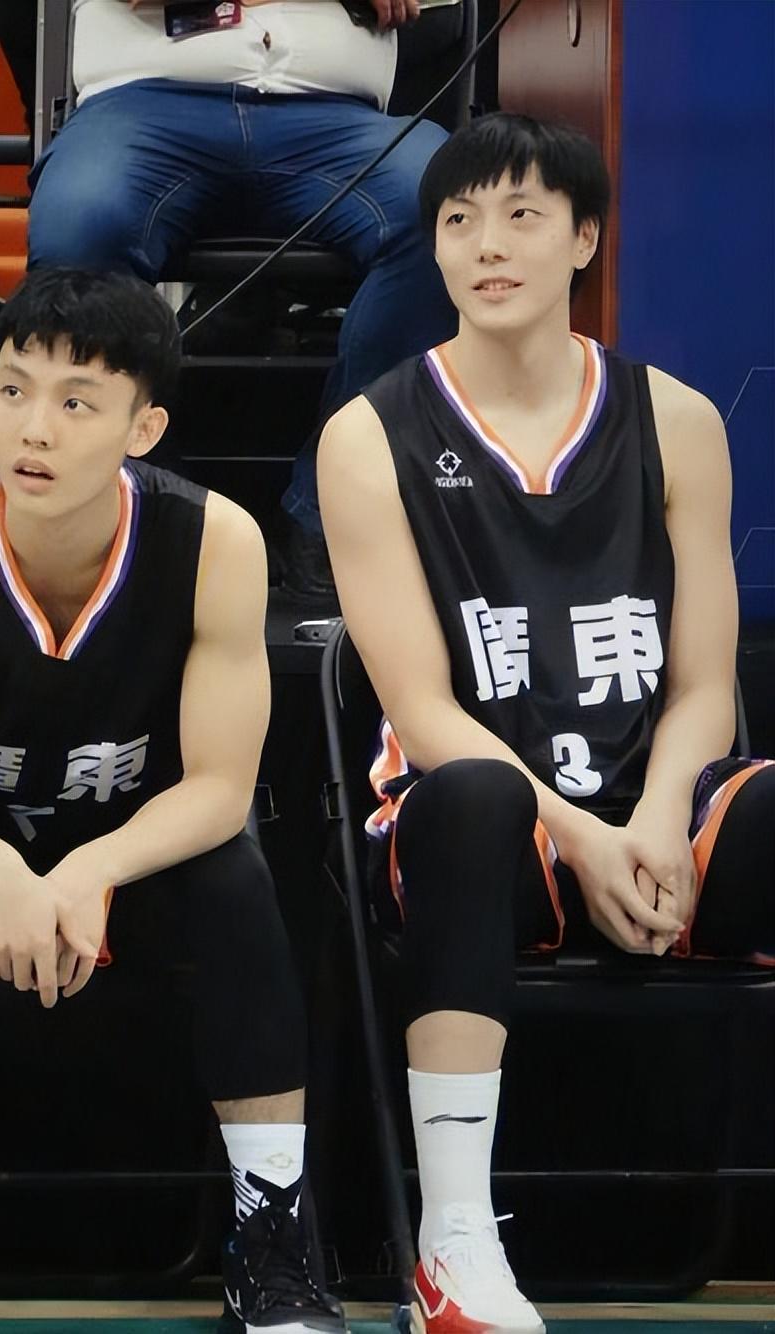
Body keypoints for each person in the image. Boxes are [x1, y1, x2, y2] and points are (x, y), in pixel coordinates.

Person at [0, 269, 341, 1334]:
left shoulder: (216, 540)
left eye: (77, 402)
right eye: (13, 389)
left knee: (236, 876)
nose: (33, 428)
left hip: (131, 843)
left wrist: (88, 868)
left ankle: (272, 1237)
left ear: (144, 427)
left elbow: (220, 787)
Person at [317, 113, 774, 1332]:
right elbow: (419, 708)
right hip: (490, 828)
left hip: (657, 818)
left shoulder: (676, 418)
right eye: (457, 220)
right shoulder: (368, 435)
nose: (486, 244)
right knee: (468, 800)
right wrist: (581, 834)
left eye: (521, 215)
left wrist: (660, 822)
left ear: (584, 238)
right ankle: (454, 1242)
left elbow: (704, 683)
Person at [27, 0, 458, 600]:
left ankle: (333, 511)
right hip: (145, 104)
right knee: (80, 223)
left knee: (447, 211)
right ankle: (143, 501)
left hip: (337, 118)